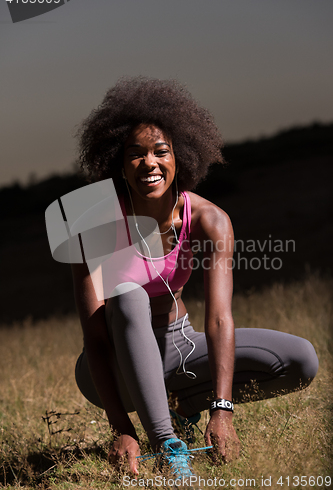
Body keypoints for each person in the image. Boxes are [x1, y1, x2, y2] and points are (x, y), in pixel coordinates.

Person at [71, 77, 319, 478]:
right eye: (135, 154)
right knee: (129, 294)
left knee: (300, 359)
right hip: (113, 363)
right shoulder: (92, 229)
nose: (149, 163)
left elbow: (219, 319)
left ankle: (183, 407)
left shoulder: (209, 220)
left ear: (180, 157)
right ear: (118, 163)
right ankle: (167, 445)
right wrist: (121, 428)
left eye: (160, 152)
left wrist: (222, 409)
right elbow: (96, 337)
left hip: (179, 346)